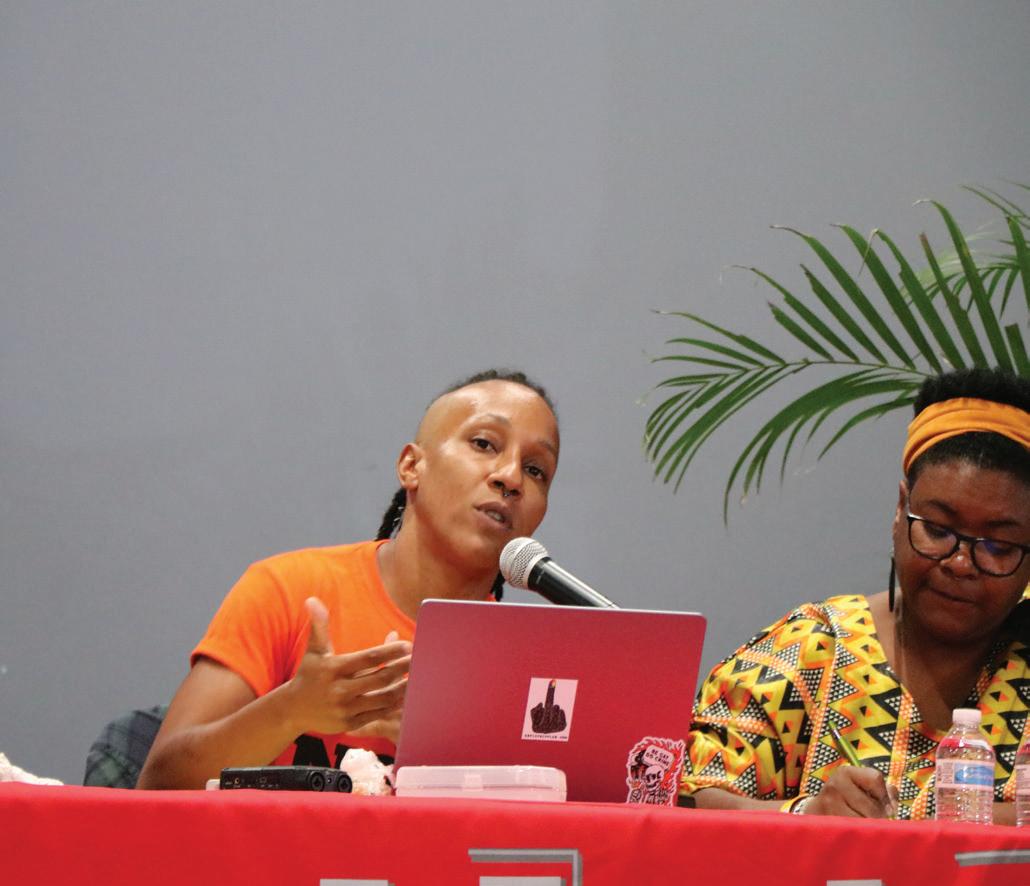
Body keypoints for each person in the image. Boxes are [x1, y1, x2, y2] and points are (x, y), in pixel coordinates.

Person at [137, 369, 559, 789]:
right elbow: (160, 782)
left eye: (536, 469)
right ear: (412, 466)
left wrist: (449, 752)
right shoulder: (290, 590)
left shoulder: (529, 670)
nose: (511, 477)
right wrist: (292, 711)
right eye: (484, 444)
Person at [680, 368, 1030, 822]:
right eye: (938, 530)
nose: (961, 563)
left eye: (998, 546)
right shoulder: (813, 651)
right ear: (901, 509)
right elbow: (687, 796)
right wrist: (807, 816)